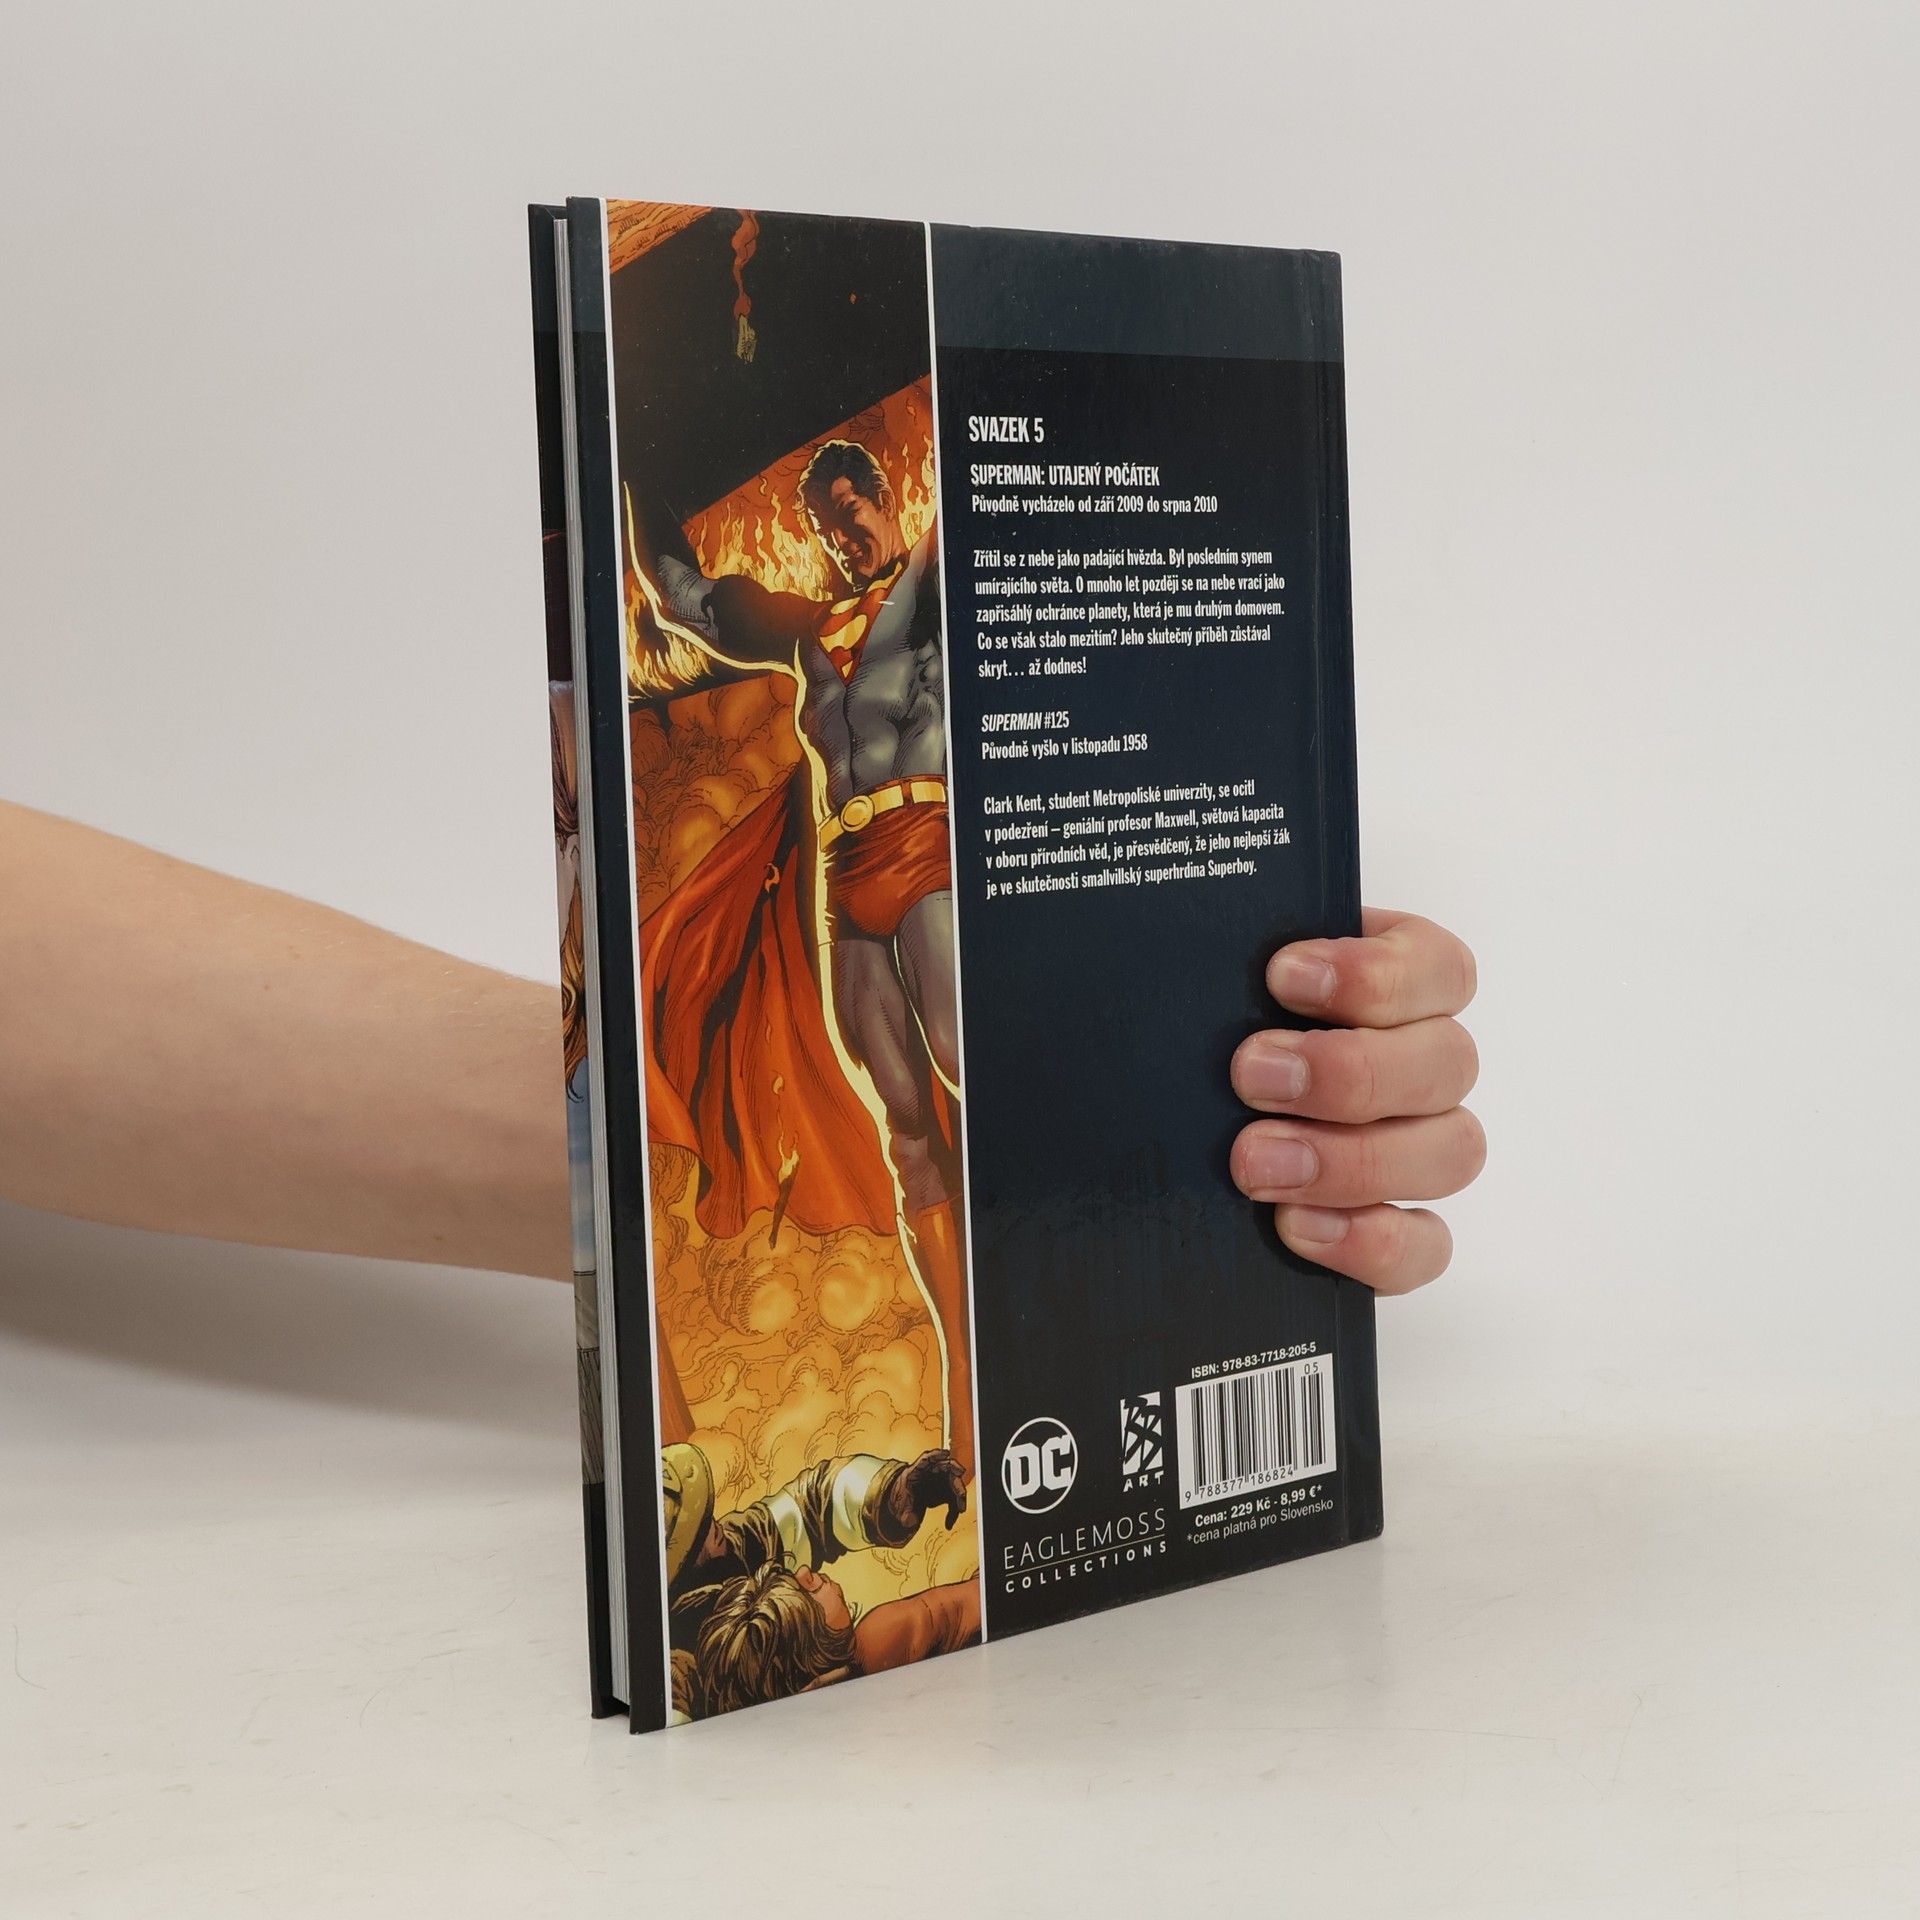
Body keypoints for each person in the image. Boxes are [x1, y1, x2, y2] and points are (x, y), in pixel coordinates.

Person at [0, 797, 1483, 1297]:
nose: (843, 533)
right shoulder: (819, 647)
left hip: (904, 891)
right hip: (847, 896)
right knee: (907, 1120)